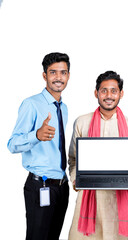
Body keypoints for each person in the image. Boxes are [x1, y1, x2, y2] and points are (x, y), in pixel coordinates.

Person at [68, 71, 128, 240]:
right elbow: (73, 159)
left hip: (120, 198)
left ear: (121, 94)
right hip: (89, 197)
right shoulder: (82, 122)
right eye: (104, 91)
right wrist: (76, 179)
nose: (109, 95)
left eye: (113, 91)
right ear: (96, 93)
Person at [7, 52, 70, 240]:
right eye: (53, 72)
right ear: (45, 76)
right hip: (40, 185)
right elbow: (12, 144)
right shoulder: (31, 104)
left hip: (61, 186)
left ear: (68, 76)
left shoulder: (63, 107)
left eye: (63, 72)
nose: (58, 77)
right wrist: (36, 135)